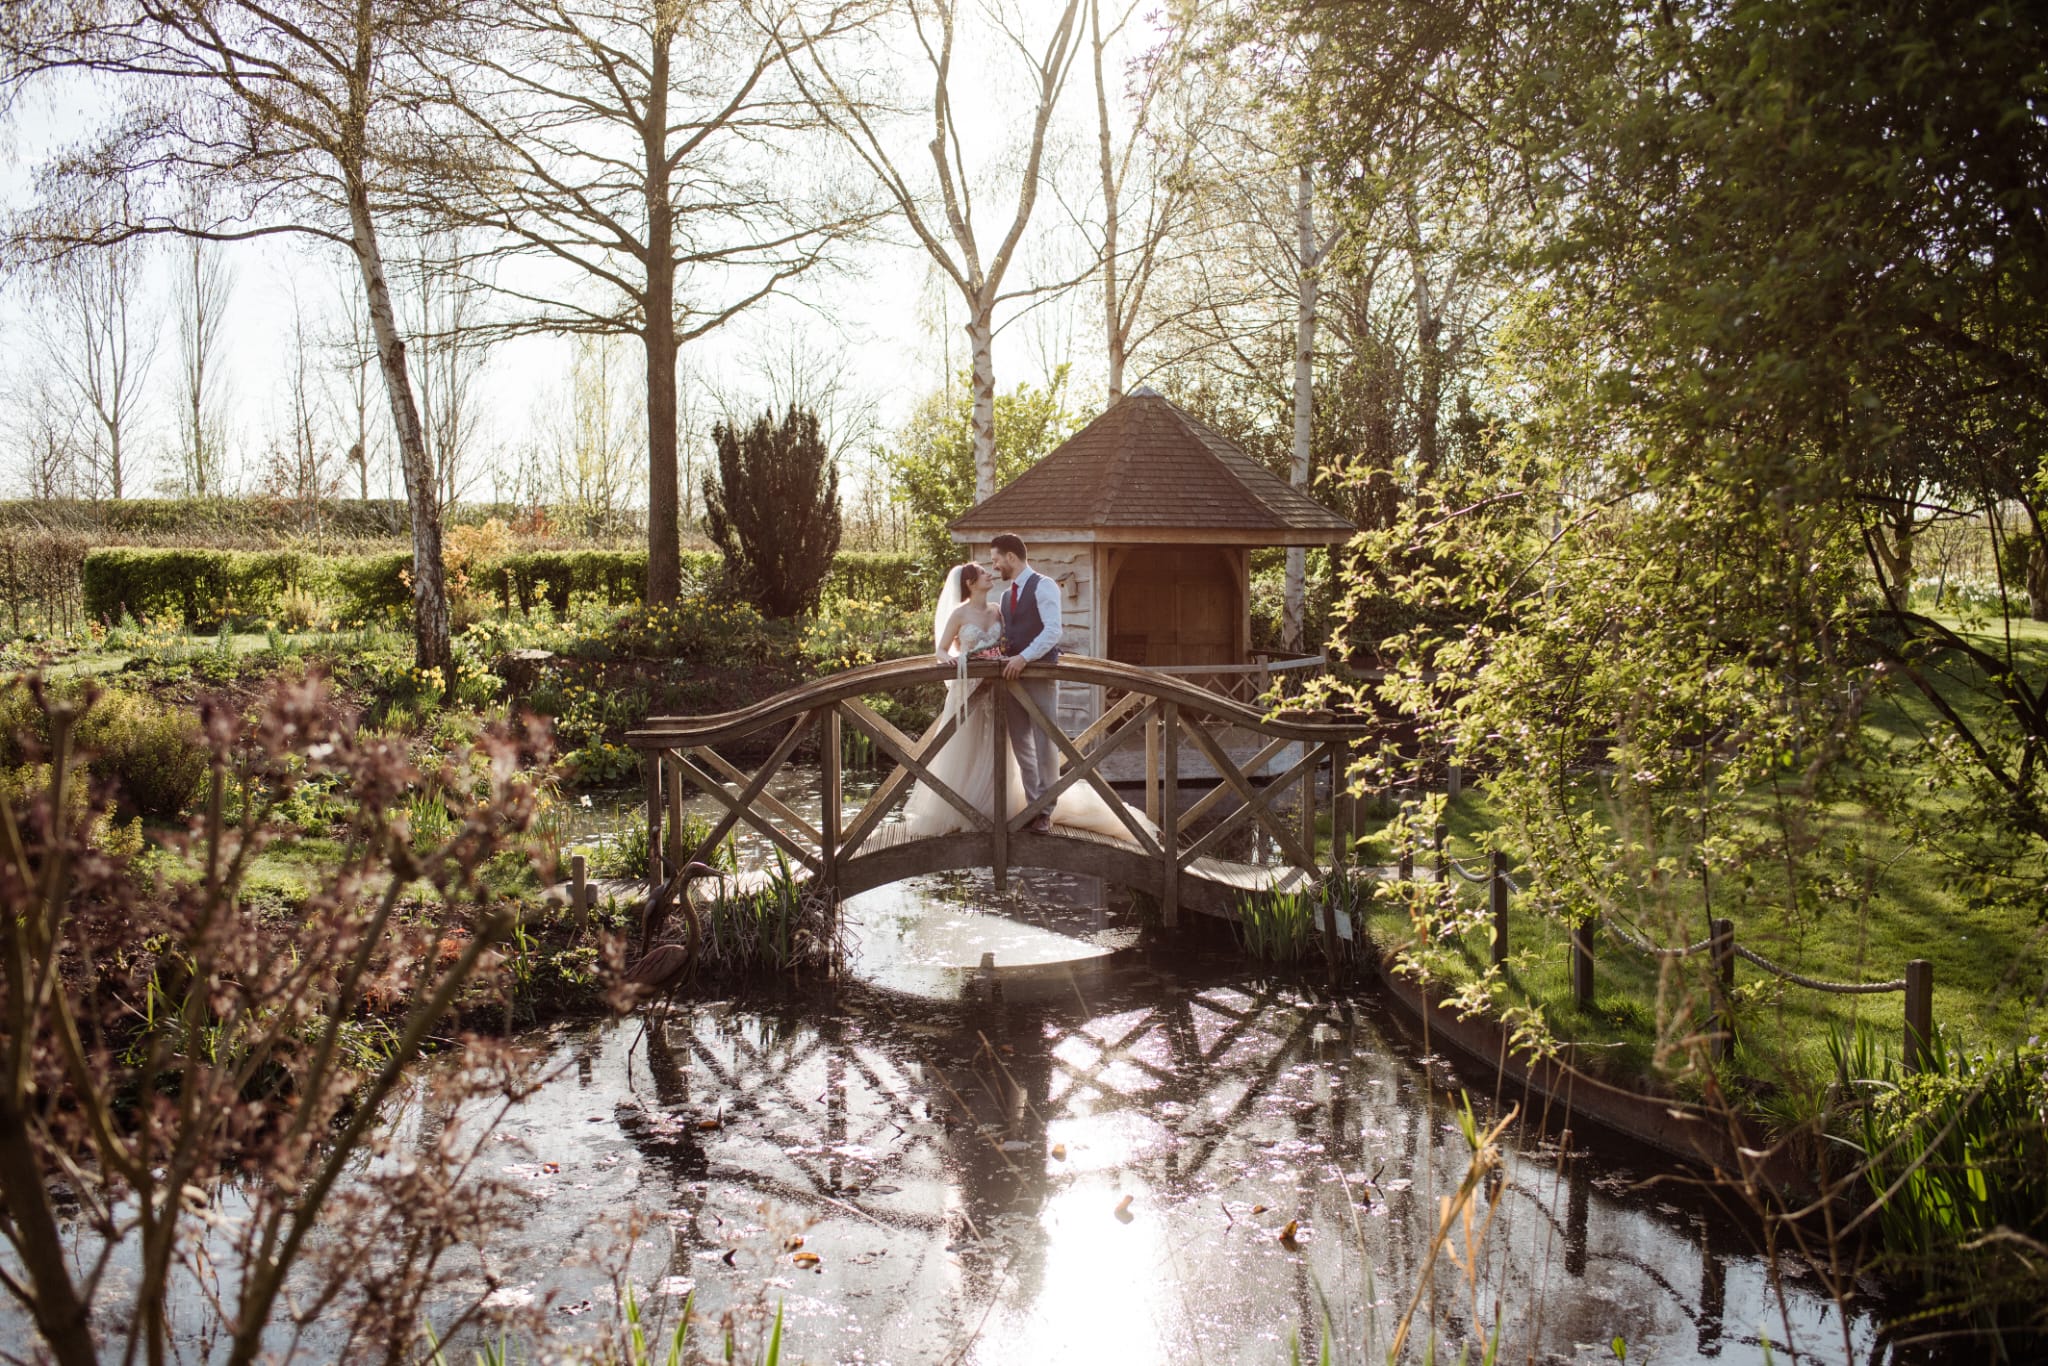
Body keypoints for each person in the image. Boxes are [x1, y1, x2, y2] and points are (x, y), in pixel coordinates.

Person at [900, 548, 1153, 846]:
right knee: (973, 746)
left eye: (993, 563)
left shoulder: (1000, 607)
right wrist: (953, 660)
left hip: (1005, 685)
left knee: (1013, 746)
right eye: (984, 571)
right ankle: (970, 808)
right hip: (974, 689)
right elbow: (943, 649)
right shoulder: (965, 612)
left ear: (1010, 556)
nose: (990, 570)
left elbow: (1023, 638)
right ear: (969, 583)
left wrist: (1020, 658)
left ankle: (1024, 809)